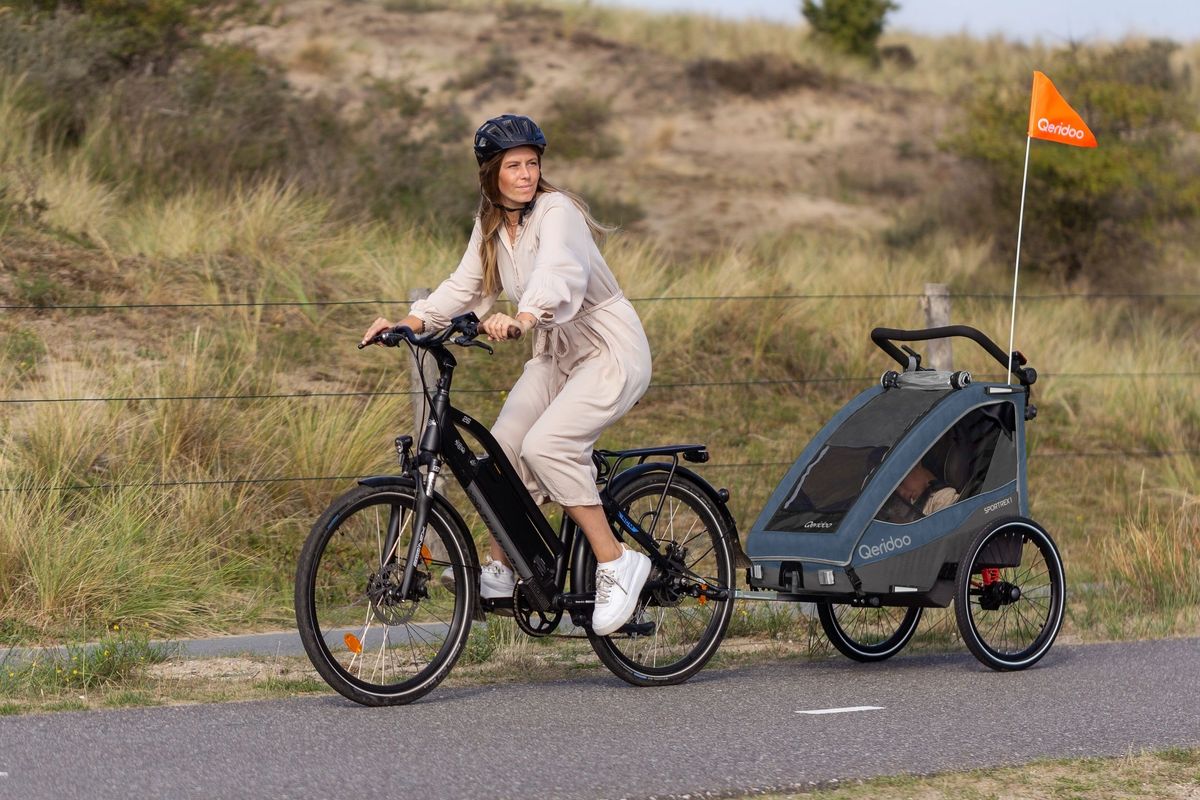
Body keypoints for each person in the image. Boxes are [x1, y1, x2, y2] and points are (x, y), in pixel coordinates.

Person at [360, 114, 653, 637]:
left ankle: (616, 562)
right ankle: (503, 565)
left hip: (607, 349)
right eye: (514, 166)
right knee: (503, 449)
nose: (525, 174)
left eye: (532, 164)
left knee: (548, 446)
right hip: (555, 351)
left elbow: (558, 271)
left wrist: (524, 316)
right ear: (491, 172)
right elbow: (466, 287)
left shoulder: (557, 211)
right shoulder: (492, 222)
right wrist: (408, 323)